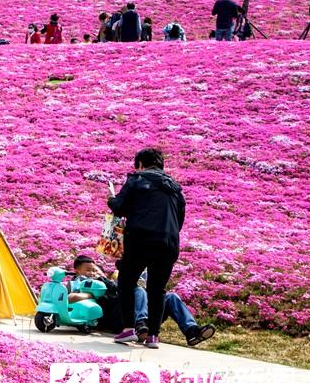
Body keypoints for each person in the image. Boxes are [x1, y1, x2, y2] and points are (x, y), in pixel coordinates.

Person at [108, 148, 186, 350]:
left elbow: (120, 207)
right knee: (157, 289)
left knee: (126, 281)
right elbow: (180, 219)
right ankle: (153, 336)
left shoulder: (136, 180)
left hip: (140, 240)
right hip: (168, 243)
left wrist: (111, 199)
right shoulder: (175, 188)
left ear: (141, 164)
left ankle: (128, 329)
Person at [71, 255, 215, 346]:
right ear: (77, 271)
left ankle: (191, 331)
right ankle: (141, 325)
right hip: (117, 316)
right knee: (138, 290)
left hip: (135, 310)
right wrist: (91, 293)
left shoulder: (106, 280)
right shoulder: (81, 283)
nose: (92, 273)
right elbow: (72, 298)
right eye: (88, 270)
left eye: (95, 270)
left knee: (170, 297)